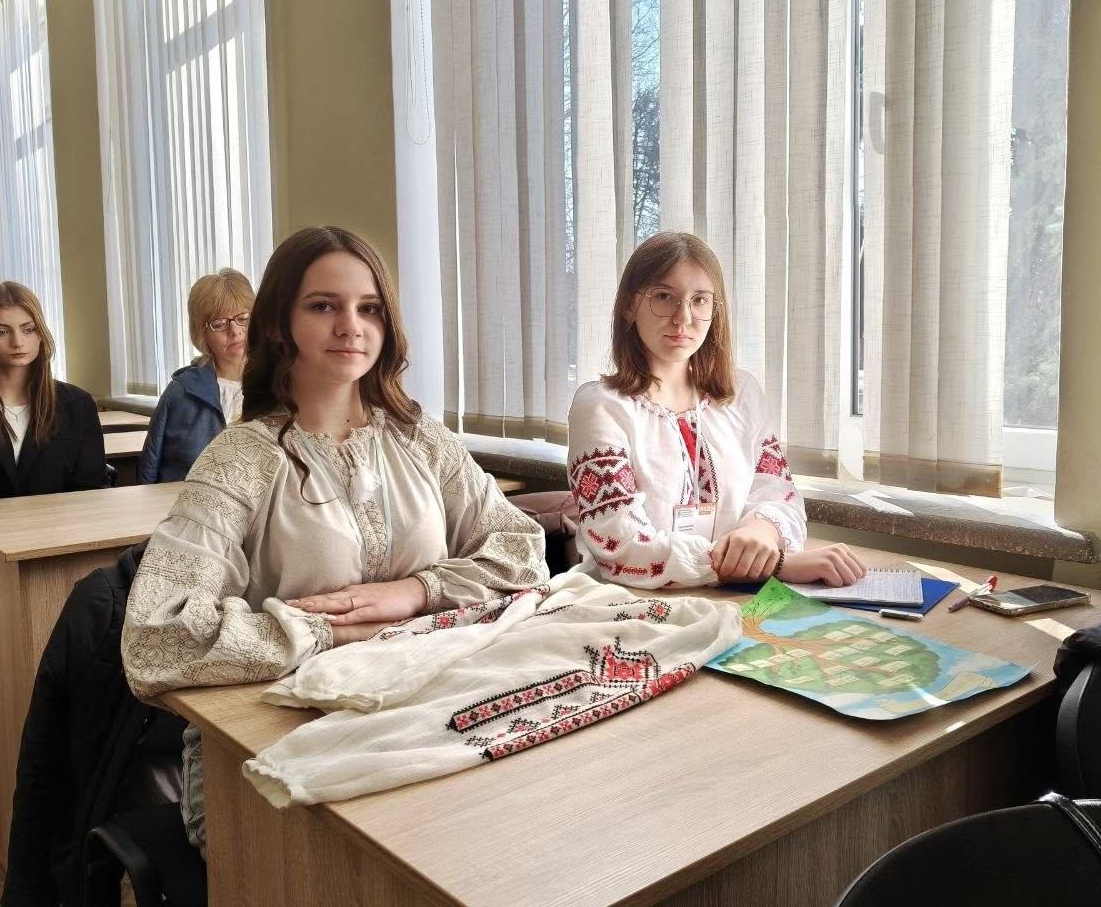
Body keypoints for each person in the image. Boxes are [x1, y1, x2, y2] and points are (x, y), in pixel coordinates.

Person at [121, 225, 548, 852]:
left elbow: (523, 551)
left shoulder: (419, 436)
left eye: (368, 308)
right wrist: (327, 630)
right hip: (268, 753)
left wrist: (417, 591)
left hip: (419, 719)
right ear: (279, 324)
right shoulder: (241, 457)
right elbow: (155, 638)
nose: (351, 326)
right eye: (324, 306)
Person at [567, 231, 865, 590]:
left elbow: (779, 495)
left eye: (700, 300)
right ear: (630, 306)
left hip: (735, 597)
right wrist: (773, 565)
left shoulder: (742, 393)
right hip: (628, 603)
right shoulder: (601, 407)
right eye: (664, 296)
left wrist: (763, 530)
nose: (683, 318)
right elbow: (621, 546)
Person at [0, 281, 105, 501]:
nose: (17, 342)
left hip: (60, 523)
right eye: (1, 332)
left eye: (28, 329)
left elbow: (91, 492)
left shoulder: (78, 404)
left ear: (40, 333)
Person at [139, 268, 254, 483]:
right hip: (189, 501)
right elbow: (150, 469)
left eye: (243, 319)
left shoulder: (279, 386)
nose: (235, 331)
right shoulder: (180, 392)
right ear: (202, 333)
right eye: (219, 324)